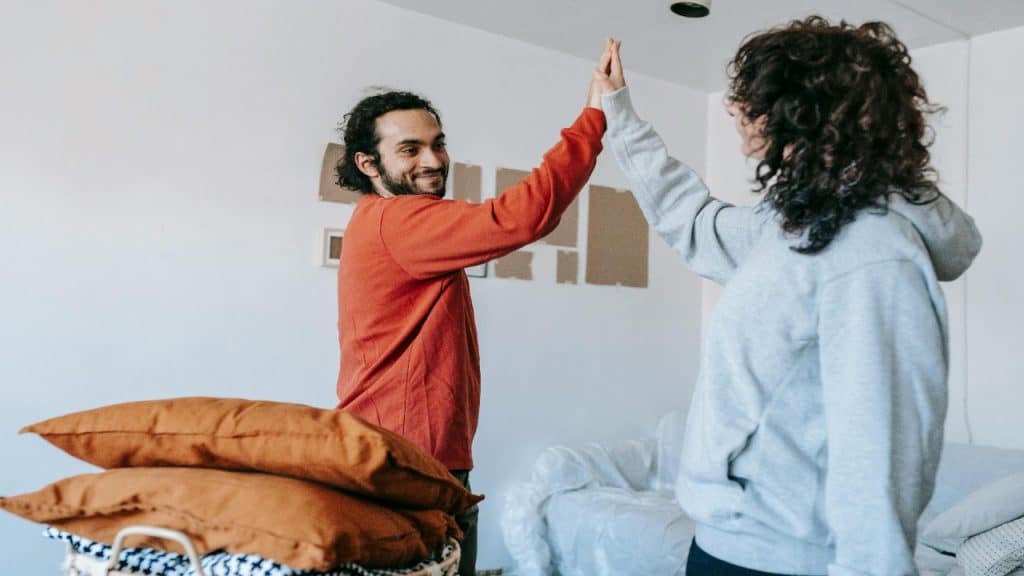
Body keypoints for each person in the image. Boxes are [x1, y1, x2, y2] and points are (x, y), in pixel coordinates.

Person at [593, 19, 982, 576]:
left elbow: (880, 457)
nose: (732, 108)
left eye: (748, 94)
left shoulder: (873, 252)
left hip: (782, 564)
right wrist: (619, 114)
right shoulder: (796, 225)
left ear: (798, 110)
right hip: (725, 545)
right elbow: (696, 223)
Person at [333, 41, 618, 575]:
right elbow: (522, 215)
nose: (435, 160)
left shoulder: (390, 224)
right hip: (405, 463)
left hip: (417, 458)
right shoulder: (397, 221)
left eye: (438, 144)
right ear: (368, 163)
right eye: (410, 149)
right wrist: (595, 116)